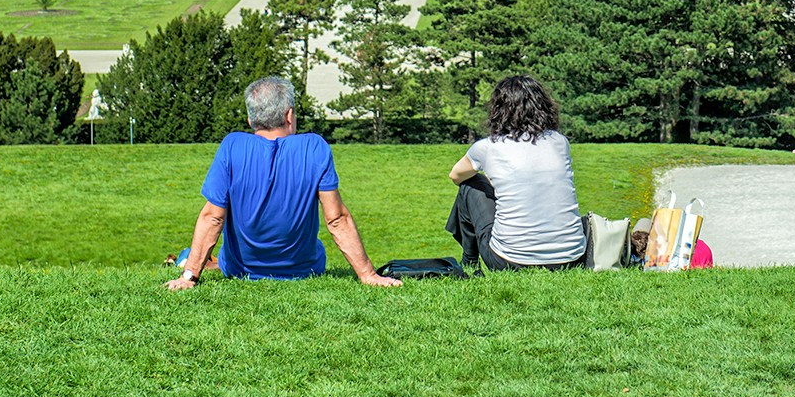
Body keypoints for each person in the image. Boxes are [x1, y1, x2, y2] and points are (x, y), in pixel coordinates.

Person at [166, 77, 399, 290]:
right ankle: (199, 260)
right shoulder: (315, 147)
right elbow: (336, 219)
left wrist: (189, 277)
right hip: (303, 269)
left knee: (208, 256)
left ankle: (191, 261)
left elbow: (212, 217)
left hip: (239, 270)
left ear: (250, 119)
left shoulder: (232, 146)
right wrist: (368, 274)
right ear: (289, 116)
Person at [445, 75, 587, 271]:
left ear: (498, 109)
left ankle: (469, 261)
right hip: (571, 257)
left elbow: (456, 176)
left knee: (470, 184)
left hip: (511, 260)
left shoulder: (488, 147)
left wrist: (492, 182)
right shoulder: (560, 142)